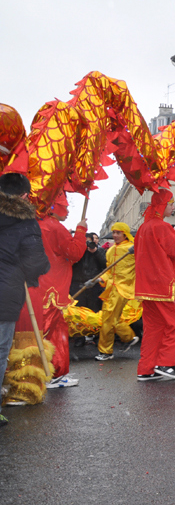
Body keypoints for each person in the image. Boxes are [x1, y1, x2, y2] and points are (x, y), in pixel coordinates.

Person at [0, 173, 51, 417]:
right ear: (24, 195)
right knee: (0, 351)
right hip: (5, 293)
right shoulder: (24, 221)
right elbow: (35, 262)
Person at [29, 193, 87, 389]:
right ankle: (33, 376)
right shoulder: (53, 227)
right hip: (50, 288)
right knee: (44, 331)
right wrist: (80, 231)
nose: (68, 209)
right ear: (53, 207)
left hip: (39, 285)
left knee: (57, 330)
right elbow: (74, 253)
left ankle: (56, 372)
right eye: (65, 206)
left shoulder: (37, 225)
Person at [133, 189, 175, 381]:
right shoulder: (162, 227)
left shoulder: (143, 228)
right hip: (163, 284)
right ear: (163, 206)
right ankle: (166, 363)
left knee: (153, 328)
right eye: (171, 203)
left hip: (146, 286)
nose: (173, 207)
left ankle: (146, 368)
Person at [94, 222, 139, 362]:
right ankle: (129, 337)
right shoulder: (109, 251)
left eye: (118, 232)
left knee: (108, 319)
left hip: (123, 289)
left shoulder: (132, 249)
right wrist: (99, 279)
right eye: (113, 232)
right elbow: (109, 271)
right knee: (111, 318)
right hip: (111, 289)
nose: (114, 235)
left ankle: (106, 351)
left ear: (125, 234)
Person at [70, 232, 106, 313]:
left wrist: (95, 252)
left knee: (94, 311)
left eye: (88, 241)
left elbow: (105, 264)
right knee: (78, 312)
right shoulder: (75, 251)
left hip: (93, 286)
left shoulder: (99, 250)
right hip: (77, 286)